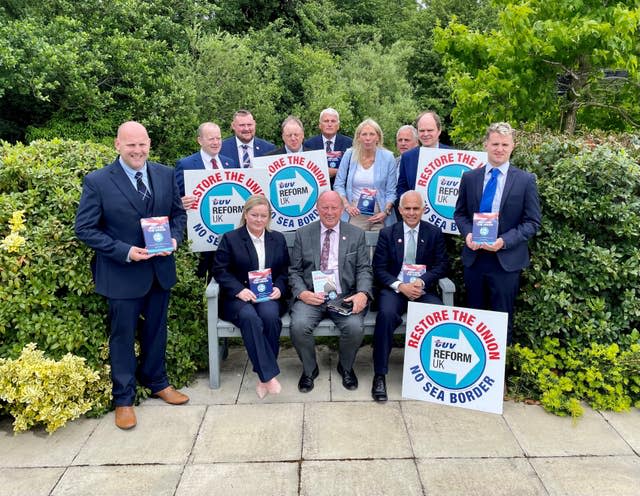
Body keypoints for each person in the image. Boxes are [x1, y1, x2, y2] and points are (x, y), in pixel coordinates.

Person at [75, 121, 188, 430]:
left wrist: (176, 238)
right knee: (122, 337)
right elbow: (84, 229)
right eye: (131, 145)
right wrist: (125, 250)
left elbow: (178, 214)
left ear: (149, 144)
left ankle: (158, 382)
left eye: (142, 144)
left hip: (159, 271)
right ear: (117, 145)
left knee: (157, 330)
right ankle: (123, 400)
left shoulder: (165, 174)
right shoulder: (98, 181)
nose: (137, 150)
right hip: (122, 272)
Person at [453, 122, 541, 344]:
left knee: (502, 319)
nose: (499, 149)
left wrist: (503, 241)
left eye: (504, 144)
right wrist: (468, 235)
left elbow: (532, 222)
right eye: (495, 144)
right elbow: (460, 214)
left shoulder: (525, 180)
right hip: (475, 258)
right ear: (486, 145)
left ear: (512, 147)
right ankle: (475, 371)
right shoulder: (470, 178)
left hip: (505, 261)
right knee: (473, 319)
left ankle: (499, 372)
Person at [289, 191, 373, 393]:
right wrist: (302, 294)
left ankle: (345, 367)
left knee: (354, 327)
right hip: (312, 295)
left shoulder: (355, 234)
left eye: (334, 207)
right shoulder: (303, 234)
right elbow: (294, 271)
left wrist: (362, 293)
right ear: (317, 209)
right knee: (299, 326)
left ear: (342, 209)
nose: (329, 212)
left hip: (344, 296)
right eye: (324, 207)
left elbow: (364, 268)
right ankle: (310, 370)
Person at [371, 190, 449, 402]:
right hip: (395, 290)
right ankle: (380, 374)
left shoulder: (434, 232)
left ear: (423, 209)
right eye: (407, 208)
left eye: (416, 208)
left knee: (439, 313)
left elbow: (442, 265)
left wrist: (422, 281)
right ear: (400, 210)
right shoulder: (388, 233)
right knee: (386, 315)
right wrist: (400, 285)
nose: (412, 213)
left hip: (422, 288)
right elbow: (379, 269)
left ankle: (435, 374)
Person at [211, 195, 290, 399]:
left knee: (271, 317)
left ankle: (264, 377)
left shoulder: (277, 239)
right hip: (237, 298)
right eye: (254, 215)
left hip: (268, 295)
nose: (259, 219)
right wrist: (239, 290)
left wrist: (279, 288)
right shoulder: (231, 238)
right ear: (246, 215)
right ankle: (268, 376)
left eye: (264, 216)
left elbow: (284, 271)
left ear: (269, 217)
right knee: (250, 318)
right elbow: (220, 270)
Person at [334, 118, 397, 231]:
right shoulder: (349, 155)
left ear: (378, 137)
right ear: (358, 137)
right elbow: (338, 184)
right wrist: (347, 206)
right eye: (364, 134)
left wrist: (385, 212)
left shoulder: (388, 158)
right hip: (355, 212)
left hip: (380, 213)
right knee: (354, 245)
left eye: (372, 134)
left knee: (381, 247)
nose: (368, 138)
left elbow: (391, 191)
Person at [175, 122, 238, 210]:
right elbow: (174, 196)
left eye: (218, 138)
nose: (216, 142)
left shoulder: (229, 163)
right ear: (200, 141)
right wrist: (180, 203)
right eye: (211, 139)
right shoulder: (186, 165)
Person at [397, 111, 452, 198]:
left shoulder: (452, 154)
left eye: (430, 130)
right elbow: (401, 187)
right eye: (422, 130)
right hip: (414, 210)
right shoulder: (407, 157)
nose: (425, 134)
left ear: (439, 131)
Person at [304, 108, 353, 179]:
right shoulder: (309, 144)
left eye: (333, 121)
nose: (329, 124)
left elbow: (353, 169)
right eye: (326, 121)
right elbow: (306, 170)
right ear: (320, 125)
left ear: (338, 126)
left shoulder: (349, 144)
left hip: (341, 186)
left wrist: (336, 172)